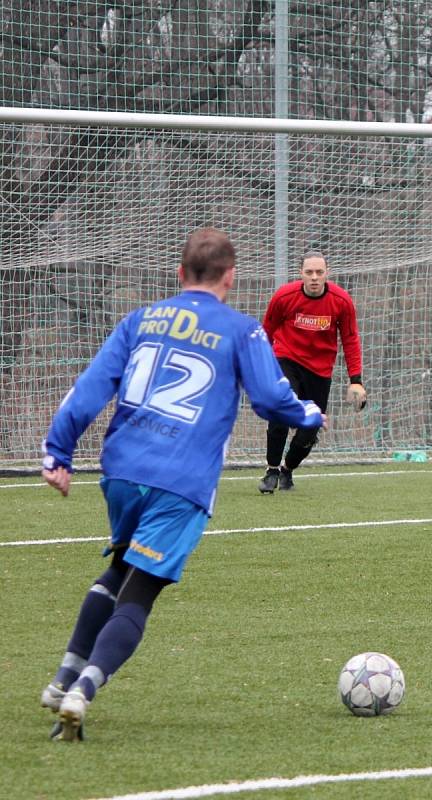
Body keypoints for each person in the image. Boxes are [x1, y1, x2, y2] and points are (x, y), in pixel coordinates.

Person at [40, 228, 325, 741]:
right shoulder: (241, 331)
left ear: (180, 274)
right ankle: (85, 687)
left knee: (121, 564)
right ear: (231, 278)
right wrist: (308, 412)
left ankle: (63, 676)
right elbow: (269, 400)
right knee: (140, 593)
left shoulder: (140, 320)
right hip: (181, 480)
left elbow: (89, 389)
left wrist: (58, 451)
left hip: (123, 471)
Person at [257, 250, 365, 493]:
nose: (314, 277)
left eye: (319, 272)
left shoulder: (341, 301)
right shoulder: (284, 296)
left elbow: (350, 339)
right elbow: (266, 332)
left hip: (320, 370)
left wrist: (355, 380)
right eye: (309, 272)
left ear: (327, 273)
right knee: (280, 410)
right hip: (286, 359)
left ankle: (287, 470)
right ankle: (271, 470)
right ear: (301, 274)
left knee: (310, 427)